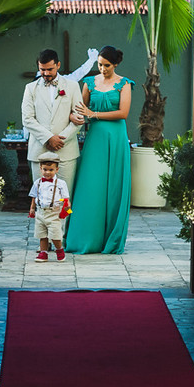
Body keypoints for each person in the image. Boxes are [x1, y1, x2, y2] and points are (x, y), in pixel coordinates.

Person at [65, 46, 134, 255]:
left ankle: (110, 239)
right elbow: (80, 111)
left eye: (107, 65)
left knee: (113, 188)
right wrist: (73, 117)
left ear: (115, 64)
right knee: (90, 186)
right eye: (100, 65)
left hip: (116, 138)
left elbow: (123, 113)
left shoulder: (125, 84)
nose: (102, 69)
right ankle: (85, 238)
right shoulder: (88, 83)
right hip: (95, 139)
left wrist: (93, 114)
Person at [21, 48, 82, 188]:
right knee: (41, 196)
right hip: (39, 150)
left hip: (65, 150)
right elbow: (27, 119)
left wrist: (59, 139)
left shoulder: (72, 86)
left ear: (58, 65)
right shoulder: (30, 88)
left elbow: (79, 117)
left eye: (50, 69)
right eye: (42, 69)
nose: (46, 73)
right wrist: (49, 138)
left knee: (64, 198)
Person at [28, 154, 70, 262]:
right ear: (41, 168)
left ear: (57, 169)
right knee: (42, 234)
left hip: (54, 213)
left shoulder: (61, 183)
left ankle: (59, 249)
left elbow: (65, 199)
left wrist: (66, 208)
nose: (47, 172)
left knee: (55, 234)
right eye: (45, 169)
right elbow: (34, 196)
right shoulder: (37, 183)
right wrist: (32, 208)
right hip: (40, 212)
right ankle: (43, 253)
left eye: (51, 170)